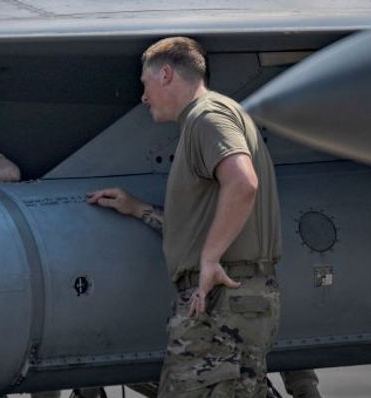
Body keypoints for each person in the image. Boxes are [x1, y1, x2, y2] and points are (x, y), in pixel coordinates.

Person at [87, 36, 282, 397]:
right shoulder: (215, 115)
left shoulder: (207, 116)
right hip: (228, 303)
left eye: (144, 85)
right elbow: (206, 219)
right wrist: (139, 209)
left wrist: (209, 260)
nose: (143, 97)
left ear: (165, 75)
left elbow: (242, 183)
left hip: (219, 304)